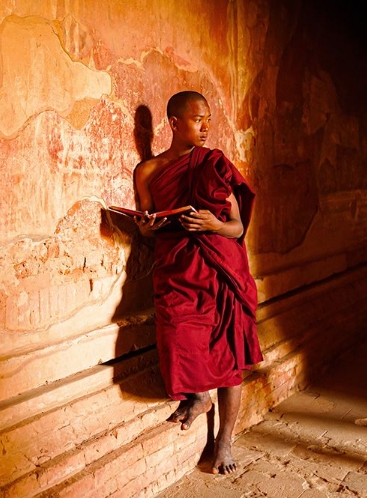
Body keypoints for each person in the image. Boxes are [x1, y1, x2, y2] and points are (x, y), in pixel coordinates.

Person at [132, 90, 262, 475]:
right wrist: (145, 227)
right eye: (197, 119)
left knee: (226, 353)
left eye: (208, 119)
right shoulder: (148, 172)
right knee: (176, 332)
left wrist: (213, 225)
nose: (205, 127)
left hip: (219, 267)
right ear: (174, 124)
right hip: (176, 267)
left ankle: (224, 441)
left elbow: (237, 226)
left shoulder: (214, 165)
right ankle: (198, 395)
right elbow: (147, 226)